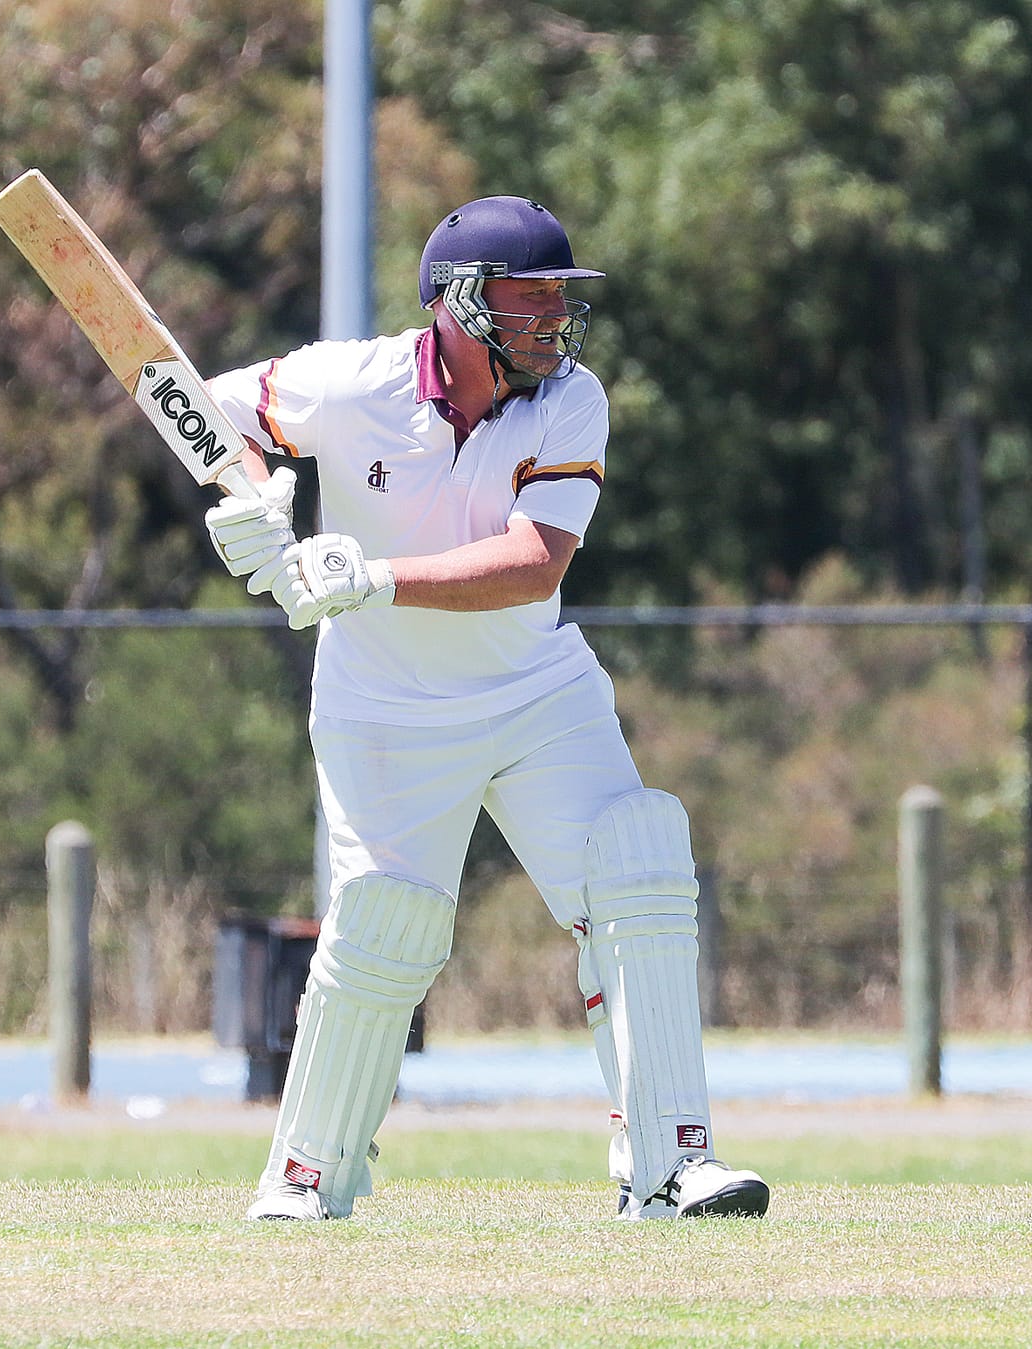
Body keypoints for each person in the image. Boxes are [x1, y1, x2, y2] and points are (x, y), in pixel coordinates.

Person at [200, 195, 769, 1222]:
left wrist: (371, 575)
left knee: (636, 868)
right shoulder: (353, 382)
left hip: (534, 690)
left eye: (560, 295)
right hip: (381, 708)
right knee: (383, 924)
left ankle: (670, 1165)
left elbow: (532, 562)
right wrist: (253, 498)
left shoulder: (571, 399)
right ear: (458, 300)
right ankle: (308, 1177)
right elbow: (209, 409)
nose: (553, 316)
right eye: (529, 296)